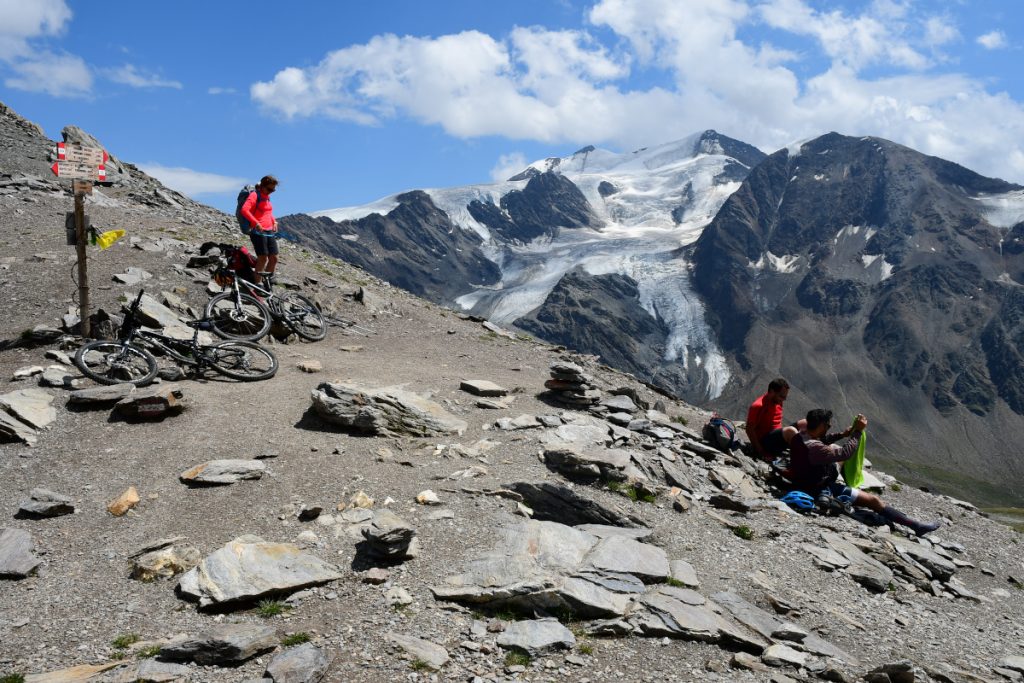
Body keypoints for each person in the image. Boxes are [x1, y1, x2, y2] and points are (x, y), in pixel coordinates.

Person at [788, 408, 941, 537]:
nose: (829, 427)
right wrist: (857, 433)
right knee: (873, 501)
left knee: (833, 453)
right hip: (818, 488)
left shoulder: (800, 436)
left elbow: (823, 440)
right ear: (821, 425)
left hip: (803, 480)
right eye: (828, 425)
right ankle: (916, 526)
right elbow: (845, 453)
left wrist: (842, 434)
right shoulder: (814, 448)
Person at [239, 175, 279, 286]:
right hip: (258, 231)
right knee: (263, 258)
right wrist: (256, 223)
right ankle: (258, 283)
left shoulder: (266, 196)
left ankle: (268, 280)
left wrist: (274, 221)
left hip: (269, 230)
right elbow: (244, 210)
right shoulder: (254, 195)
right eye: (269, 189)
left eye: (273, 190)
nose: (271, 192)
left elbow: (268, 212)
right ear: (262, 186)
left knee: (274, 258)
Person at [746, 378, 791, 462]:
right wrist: (761, 452)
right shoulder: (758, 406)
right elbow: (749, 430)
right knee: (790, 431)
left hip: (776, 439)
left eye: (785, 397)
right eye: (781, 396)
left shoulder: (778, 401)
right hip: (765, 442)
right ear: (771, 391)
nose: (783, 399)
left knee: (804, 424)